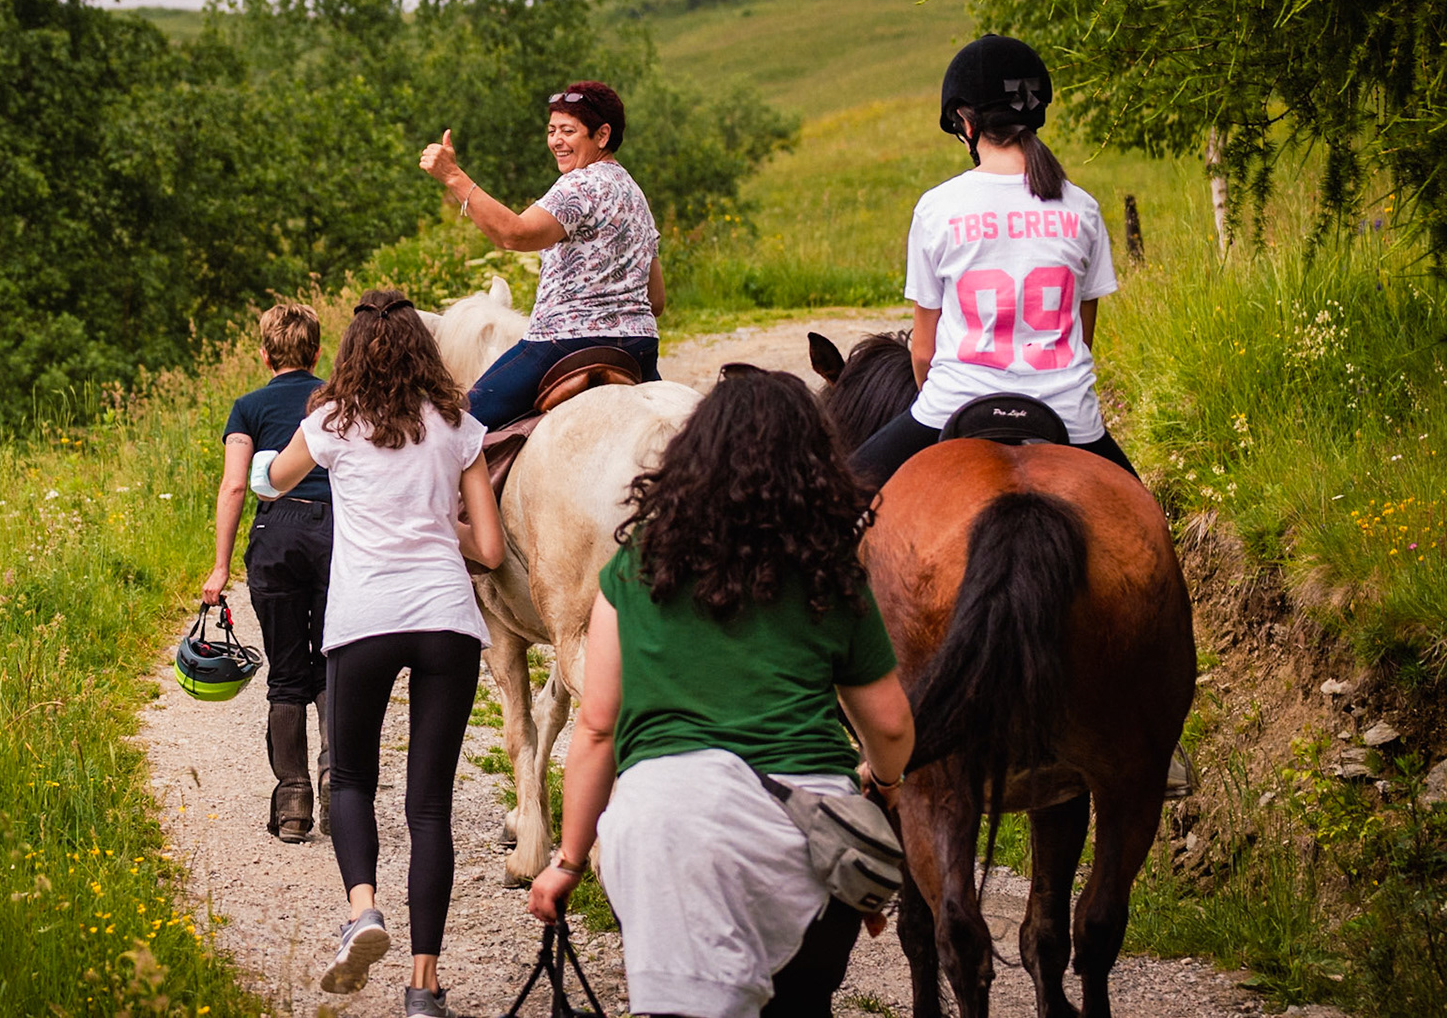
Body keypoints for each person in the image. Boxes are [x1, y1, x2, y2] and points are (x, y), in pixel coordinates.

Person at [528, 365, 915, 1018]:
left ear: (694, 456)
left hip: (665, 830)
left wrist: (568, 861)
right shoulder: (828, 568)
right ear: (814, 466)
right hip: (807, 838)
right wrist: (883, 787)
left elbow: (595, 727)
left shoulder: (637, 564)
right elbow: (893, 726)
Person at [254, 289, 505, 1018]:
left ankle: (364, 911)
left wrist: (265, 463)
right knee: (430, 806)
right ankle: (424, 987)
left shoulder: (330, 422)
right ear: (426, 352)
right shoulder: (459, 427)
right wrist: (434, 524)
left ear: (351, 354)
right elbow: (487, 549)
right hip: (445, 622)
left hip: (365, 618)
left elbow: (274, 482)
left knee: (354, 780)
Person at [848, 33, 1139, 489]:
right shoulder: (1081, 208)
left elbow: (922, 353)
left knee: (840, 499)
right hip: (1067, 417)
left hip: (954, 406)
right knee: (1147, 528)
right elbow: (1082, 337)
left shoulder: (937, 208)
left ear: (966, 122)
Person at [417, 80, 665, 430]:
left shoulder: (580, 185)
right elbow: (655, 300)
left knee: (457, 430)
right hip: (640, 349)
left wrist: (453, 177)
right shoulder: (635, 195)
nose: (556, 141)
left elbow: (514, 234)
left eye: (568, 130)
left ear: (603, 135)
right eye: (552, 130)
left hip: (564, 344)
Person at [204, 303, 334, 843]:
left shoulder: (248, 407)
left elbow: (236, 486)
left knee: (286, 671)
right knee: (332, 660)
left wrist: (218, 567)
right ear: (317, 353)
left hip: (276, 536)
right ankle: (337, 780)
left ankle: (294, 805)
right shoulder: (337, 398)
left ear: (264, 354)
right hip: (337, 535)